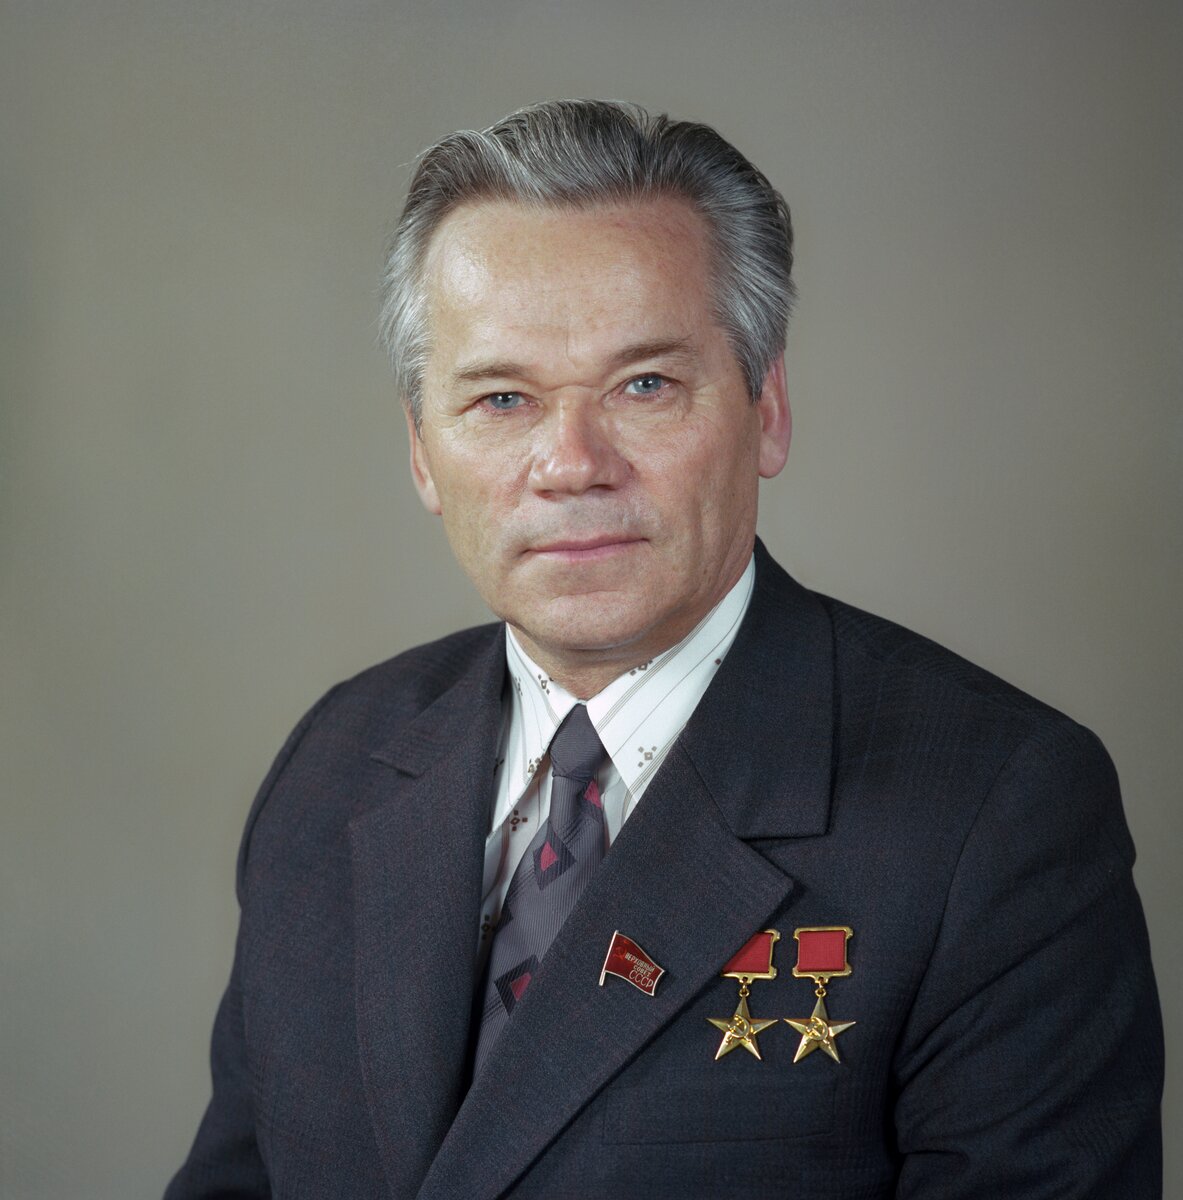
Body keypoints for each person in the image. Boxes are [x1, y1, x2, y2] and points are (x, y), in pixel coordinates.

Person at [165, 100, 1162, 1199]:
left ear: (765, 408)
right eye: (500, 398)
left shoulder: (995, 813)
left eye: (644, 386)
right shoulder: (334, 765)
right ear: (420, 450)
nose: (570, 464)